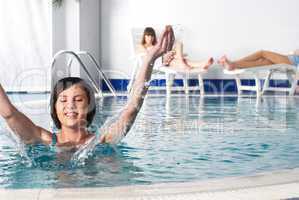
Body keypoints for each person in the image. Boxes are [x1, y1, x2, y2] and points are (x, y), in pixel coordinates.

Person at [0, 26, 175, 150]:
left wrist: (150, 58)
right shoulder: (44, 139)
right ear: (54, 107)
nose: (70, 105)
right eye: (63, 100)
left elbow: (132, 108)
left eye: (78, 99)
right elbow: (8, 113)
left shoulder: (101, 141)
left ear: (90, 106)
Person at [137, 27, 214, 72]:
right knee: (181, 57)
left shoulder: (156, 45)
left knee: (179, 45)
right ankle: (201, 63)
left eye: (152, 36)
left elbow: (162, 51)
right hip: (156, 62)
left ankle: (201, 66)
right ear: (144, 36)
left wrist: (172, 54)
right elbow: (148, 56)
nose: (150, 38)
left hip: (165, 60)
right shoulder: (141, 45)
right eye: (148, 36)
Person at [218, 50, 299, 71]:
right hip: (290, 58)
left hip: (291, 61)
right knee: (262, 62)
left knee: (262, 53)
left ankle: (233, 64)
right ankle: (233, 65)